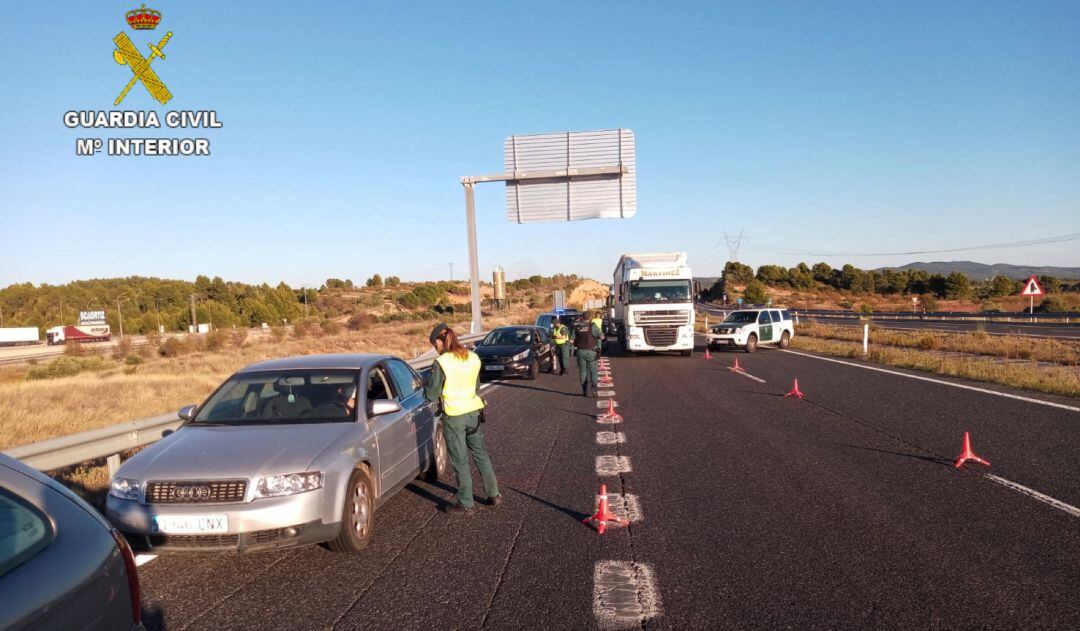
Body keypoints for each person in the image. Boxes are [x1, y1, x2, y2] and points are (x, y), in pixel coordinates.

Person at [424, 323, 501, 514]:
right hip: (474, 413)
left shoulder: (441, 363)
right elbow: (476, 387)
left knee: (460, 460)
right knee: (481, 454)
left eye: (435, 345)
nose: (435, 349)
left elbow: (431, 395)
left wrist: (425, 388)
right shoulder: (472, 357)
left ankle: (466, 503)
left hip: (454, 416)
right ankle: (494, 494)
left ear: (438, 342)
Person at [573, 315, 601, 397]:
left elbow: (574, 339)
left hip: (580, 351)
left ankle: (584, 391)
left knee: (582, 371)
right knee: (593, 372)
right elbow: (600, 336)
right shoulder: (593, 326)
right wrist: (599, 349)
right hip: (591, 352)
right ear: (590, 318)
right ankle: (594, 390)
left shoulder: (578, 327)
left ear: (582, 318)